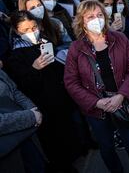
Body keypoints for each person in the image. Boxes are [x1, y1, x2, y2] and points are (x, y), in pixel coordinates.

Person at [64, 0, 129, 173]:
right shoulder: (75, 48)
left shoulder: (120, 38)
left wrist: (121, 95)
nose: (97, 19)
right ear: (81, 21)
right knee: (107, 148)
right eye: (90, 16)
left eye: (100, 15)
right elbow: (71, 82)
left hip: (122, 103)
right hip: (97, 110)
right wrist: (96, 103)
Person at [5, 11, 81, 172]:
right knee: (53, 141)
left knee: (68, 133)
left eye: (33, 27)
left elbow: (58, 72)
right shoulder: (16, 56)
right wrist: (34, 69)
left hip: (60, 99)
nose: (32, 32)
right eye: (25, 30)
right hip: (44, 106)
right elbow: (22, 86)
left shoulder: (46, 43)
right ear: (17, 31)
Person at [0, 69, 45, 173]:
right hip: (6, 151)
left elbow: (15, 91)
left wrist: (33, 109)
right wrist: (31, 116)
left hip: (26, 135)